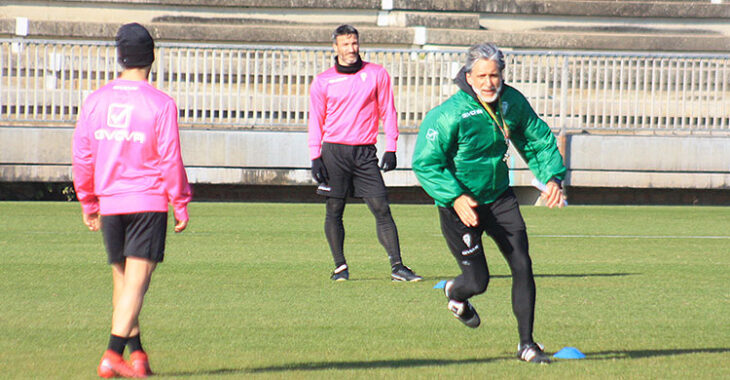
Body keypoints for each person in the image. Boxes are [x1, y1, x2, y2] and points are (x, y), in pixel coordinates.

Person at [412, 43, 566, 364]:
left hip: (499, 198)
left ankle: (527, 345)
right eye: (481, 75)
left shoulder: (512, 101)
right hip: (461, 206)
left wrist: (551, 177)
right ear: (468, 76)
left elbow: (536, 138)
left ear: (502, 75)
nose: (488, 82)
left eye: (494, 75)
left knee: (522, 264)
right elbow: (426, 163)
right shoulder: (449, 114)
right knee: (477, 282)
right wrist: (454, 196)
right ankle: (456, 293)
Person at [72, 23, 192, 378]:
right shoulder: (160, 103)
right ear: (152, 56)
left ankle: (137, 354)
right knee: (137, 284)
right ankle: (112, 353)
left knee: (123, 284)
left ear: (120, 57)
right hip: (147, 201)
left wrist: (88, 202)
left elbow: (83, 156)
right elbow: (171, 158)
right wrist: (180, 202)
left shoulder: (95, 100)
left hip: (110, 202)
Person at [308, 24, 422, 282]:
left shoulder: (376, 74)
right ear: (335, 47)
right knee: (335, 209)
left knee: (381, 207)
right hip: (334, 152)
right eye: (346, 44)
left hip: (364, 154)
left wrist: (391, 147)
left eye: (354, 43)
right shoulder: (323, 81)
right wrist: (315, 156)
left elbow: (388, 111)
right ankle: (340, 268)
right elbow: (316, 120)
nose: (351, 49)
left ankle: (398, 267)